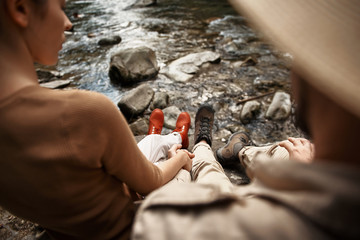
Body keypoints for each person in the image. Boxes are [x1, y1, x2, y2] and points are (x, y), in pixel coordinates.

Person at [131, 1, 360, 239]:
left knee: (208, 171)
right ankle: (240, 151)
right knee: (287, 150)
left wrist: (295, 186)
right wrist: (305, 174)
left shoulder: (166, 223)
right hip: (324, 175)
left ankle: (200, 145)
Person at [0, 0, 194, 239]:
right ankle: (178, 141)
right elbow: (151, 182)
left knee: (145, 148)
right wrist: (181, 158)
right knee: (181, 168)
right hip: (134, 228)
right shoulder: (84, 112)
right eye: (60, 7)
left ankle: (164, 137)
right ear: (20, 8)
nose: (68, 23)